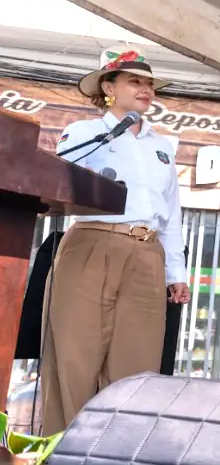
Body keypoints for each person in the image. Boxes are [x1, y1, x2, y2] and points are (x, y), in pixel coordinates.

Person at [41, 50, 190, 435]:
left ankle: (117, 462)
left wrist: (177, 272)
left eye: (150, 83)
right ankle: (61, 460)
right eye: (134, 81)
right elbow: (59, 182)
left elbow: (171, 213)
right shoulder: (84, 133)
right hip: (93, 243)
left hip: (147, 252)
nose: (146, 89)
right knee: (76, 358)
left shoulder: (162, 147)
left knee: (136, 365)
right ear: (108, 87)